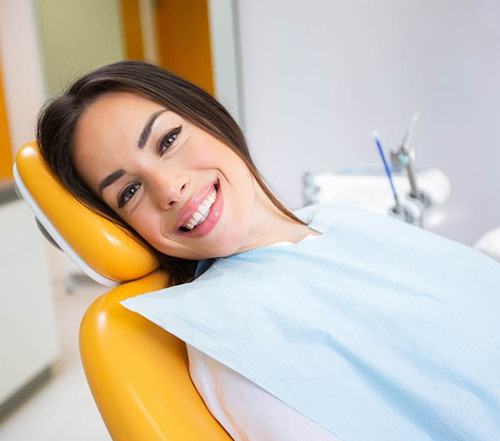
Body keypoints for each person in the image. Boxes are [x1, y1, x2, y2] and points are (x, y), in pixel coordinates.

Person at [37, 61, 500, 441]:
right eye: (130, 191)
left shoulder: (338, 217)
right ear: (124, 228)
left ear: (207, 116)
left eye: (169, 140)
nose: (169, 188)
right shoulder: (235, 337)